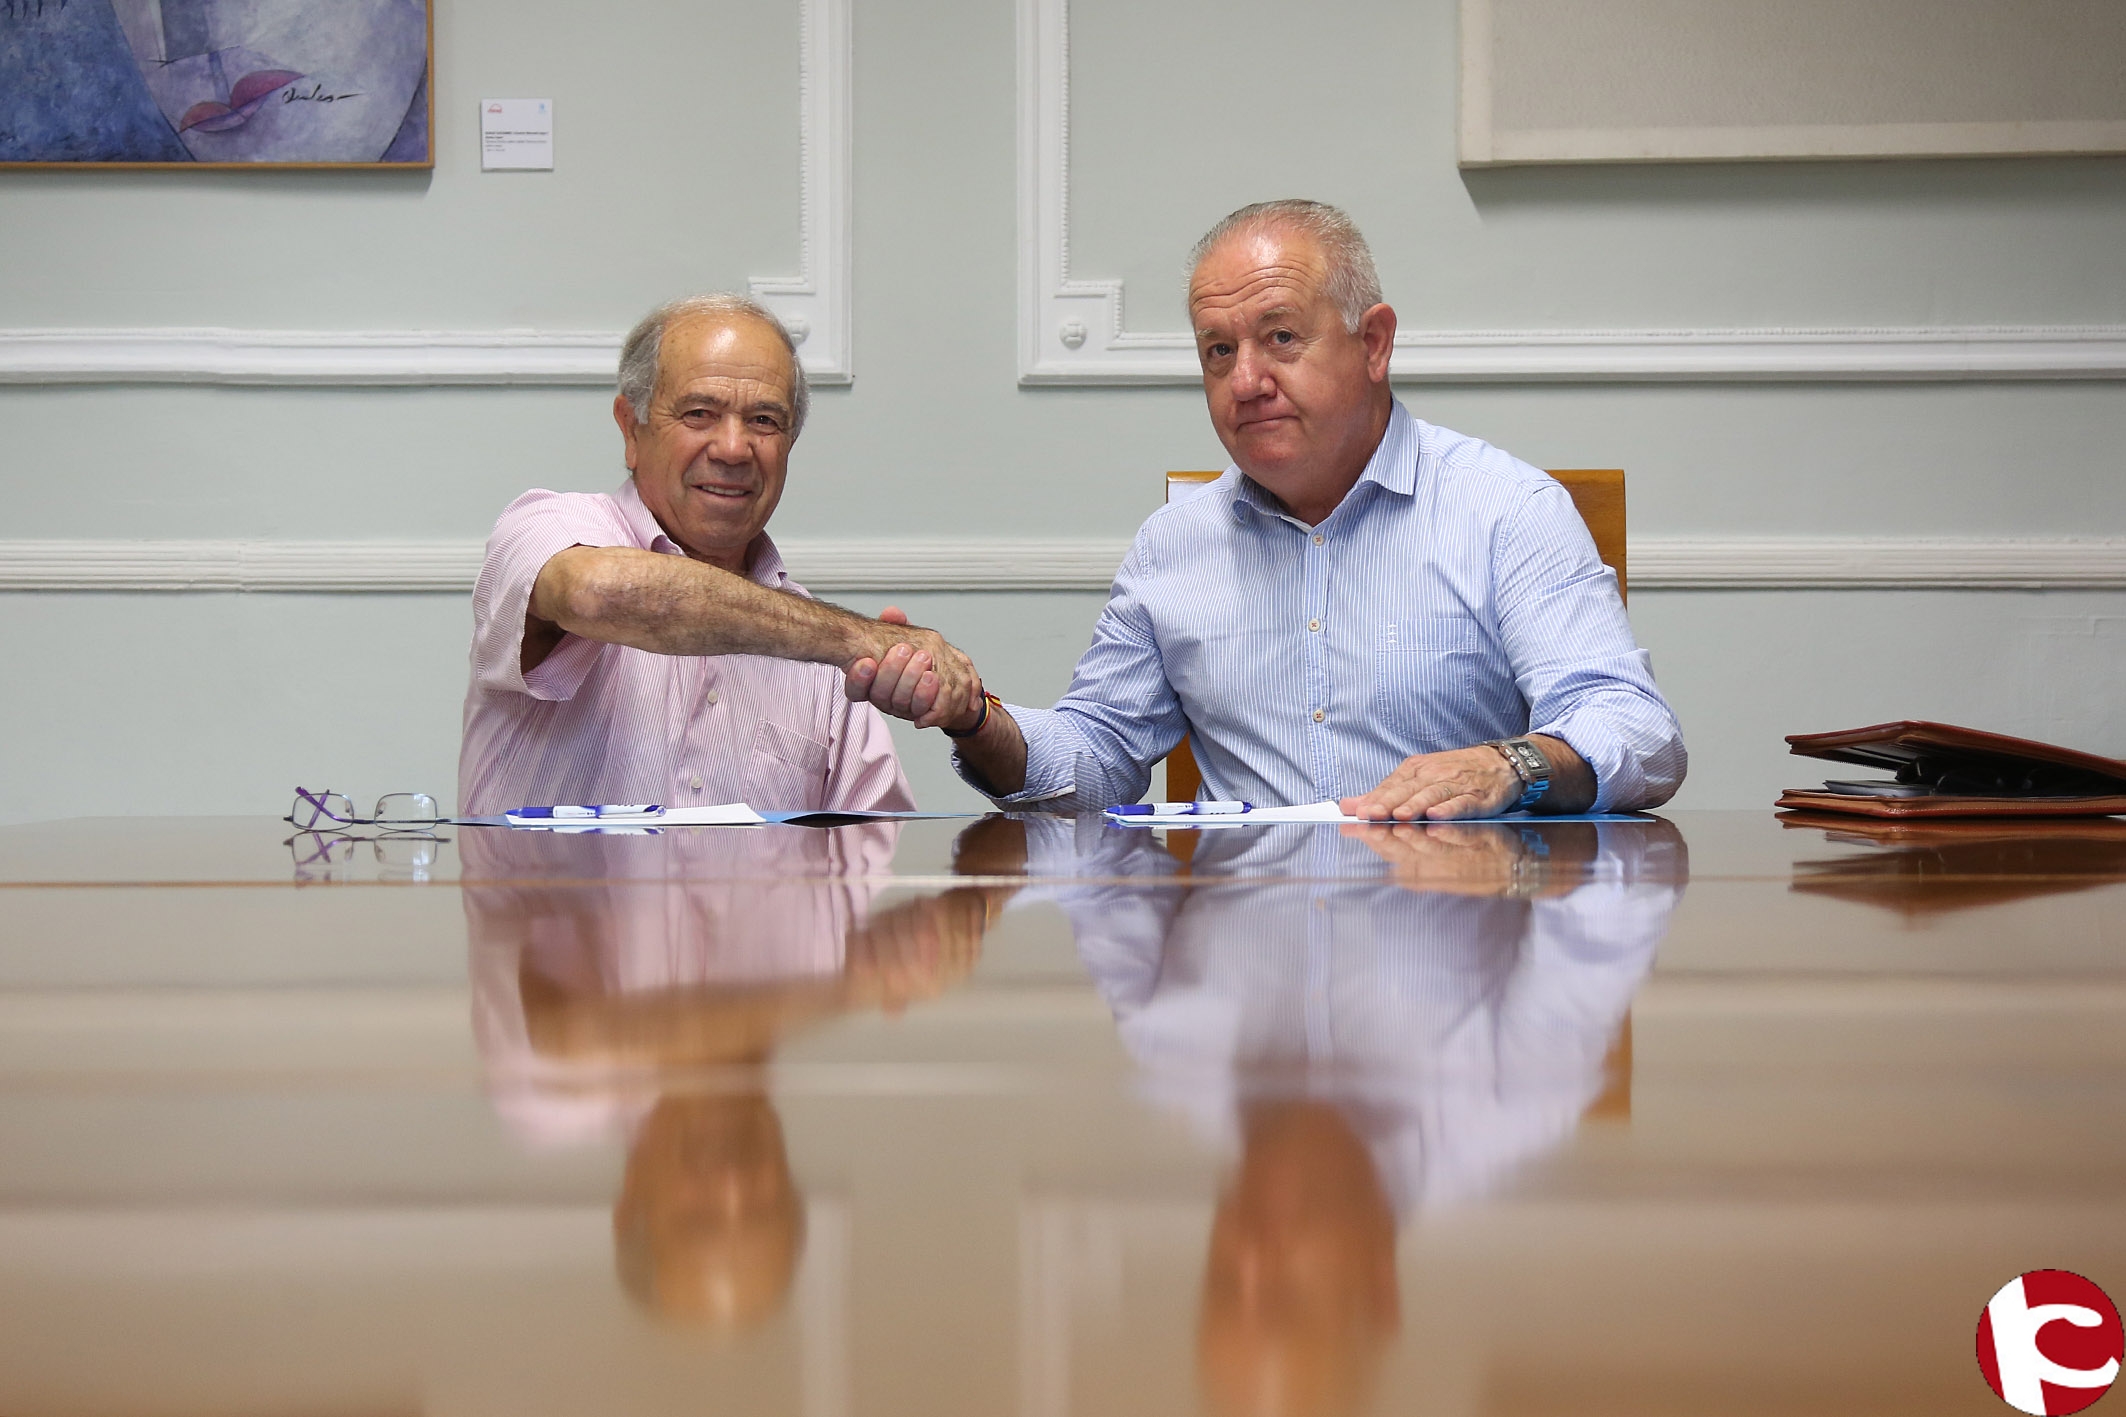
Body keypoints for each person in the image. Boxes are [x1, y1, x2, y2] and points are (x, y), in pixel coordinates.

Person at [849, 201, 1686, 820]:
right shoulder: (1175, 545)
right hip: (1241, 957)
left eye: (1281, 337)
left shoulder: (1507, 511)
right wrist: (975, 716)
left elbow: (1637, 731)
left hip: (1451, 951)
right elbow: (1097, 757)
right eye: (1219, 351)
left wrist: (1509, 765)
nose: (1246, 380)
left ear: (1374, 343)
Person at [459, 292, 981, 815]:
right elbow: (597, 594)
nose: (733, 449)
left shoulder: (824, 659)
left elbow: (873, 849)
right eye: (699, 413)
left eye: (764, 420)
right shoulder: (547, 526)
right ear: (631, 428)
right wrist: (864, 639)